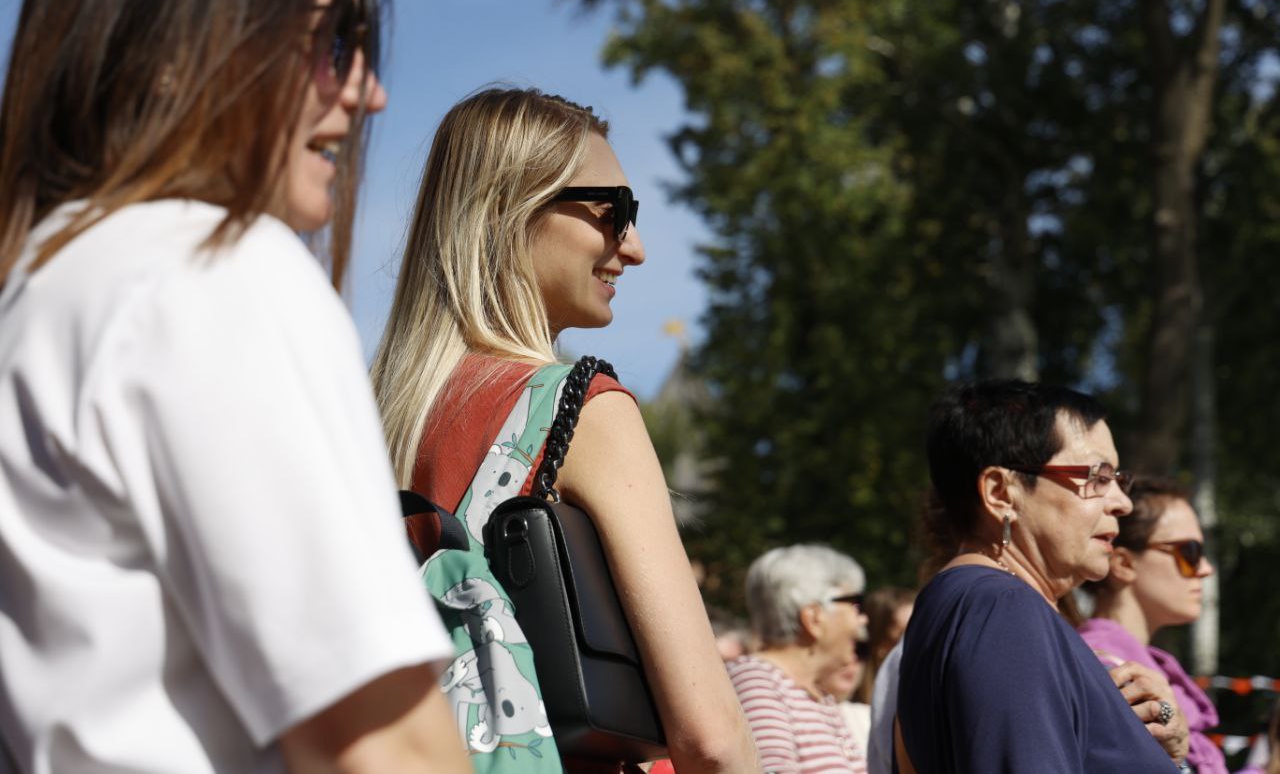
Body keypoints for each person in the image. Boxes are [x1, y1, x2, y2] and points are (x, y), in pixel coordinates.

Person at [0, 0, 469, 771]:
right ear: (179, 38)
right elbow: (386, 746)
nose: (369, 93)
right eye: (335, 40)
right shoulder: (211, 270)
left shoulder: (42, 285)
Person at [370, 87, 758, 772]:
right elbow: (712, 738)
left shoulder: (372, 431)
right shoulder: (581, 410)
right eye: (615, 211)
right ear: (508, 210)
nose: (632, 247)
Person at [897, 379, 1188, 773]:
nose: (1122, 503)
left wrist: (1159, 746)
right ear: (1001, 493)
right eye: (1098, 478)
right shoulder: (1002, 611)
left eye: (1119, 481)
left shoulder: (976, 605)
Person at [1077, 476, 1227, 773]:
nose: (1206, 569)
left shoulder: (1149, 669)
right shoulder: (1110, 670)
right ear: (1123, 564)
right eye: (1190, 553)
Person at [725, 544, 869, 772]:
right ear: (813, 618)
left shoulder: (817, 694)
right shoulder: (757, 681)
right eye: (855, 605)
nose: (862, 620)